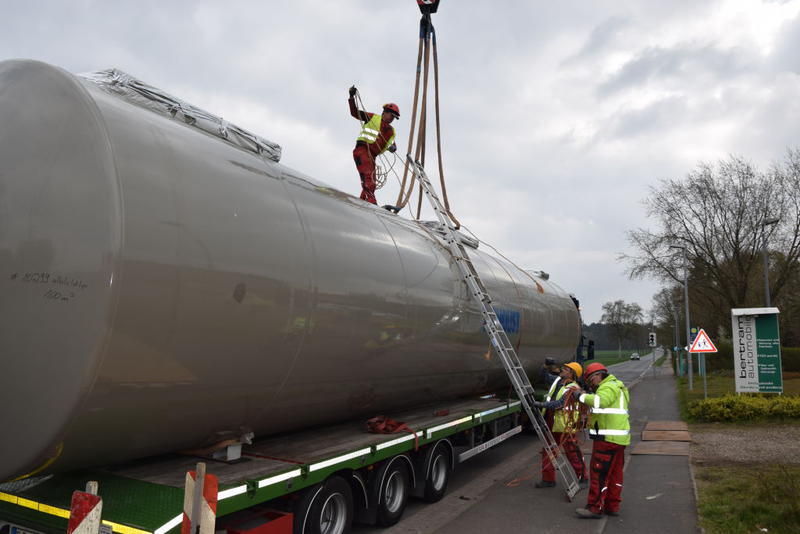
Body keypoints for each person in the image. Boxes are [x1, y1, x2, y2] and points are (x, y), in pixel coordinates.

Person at [574, 362, 630, 519]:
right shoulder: (618, 387)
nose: (592, 385)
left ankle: (594, 508)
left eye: (591, 381)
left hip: (607, 440)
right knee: (615, 475)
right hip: (619, 439)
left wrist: (580, 396)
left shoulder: (607, 387)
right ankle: (612, 506)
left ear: (598, 376)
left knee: (599, 474)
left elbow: (600, 401)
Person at [531, 362, 588, 488]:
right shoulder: (558, 380)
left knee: (572, 452)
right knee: (548, 450)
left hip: (565, 425)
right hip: (553, 422)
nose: (562, 369)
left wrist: (541, 405)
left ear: (572, 373)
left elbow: (559, 404)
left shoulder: (573, 388)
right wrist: (545, 366)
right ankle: (548, 480)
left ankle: (583, 478)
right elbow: (544, 376)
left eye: (566, 369)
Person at [348, 86, 399, 204]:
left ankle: (362, 202)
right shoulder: (372, 118)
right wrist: (351, 97)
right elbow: (355, 113)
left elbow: (392, 144)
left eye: (394, 118)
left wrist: (393, 148)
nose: (392, 119)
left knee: (372, 183)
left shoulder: (391, 131)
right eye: (391, 116)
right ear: (385, 113)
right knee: (368, 181)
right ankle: (372, 203)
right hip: (362, 150)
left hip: (372, 157)